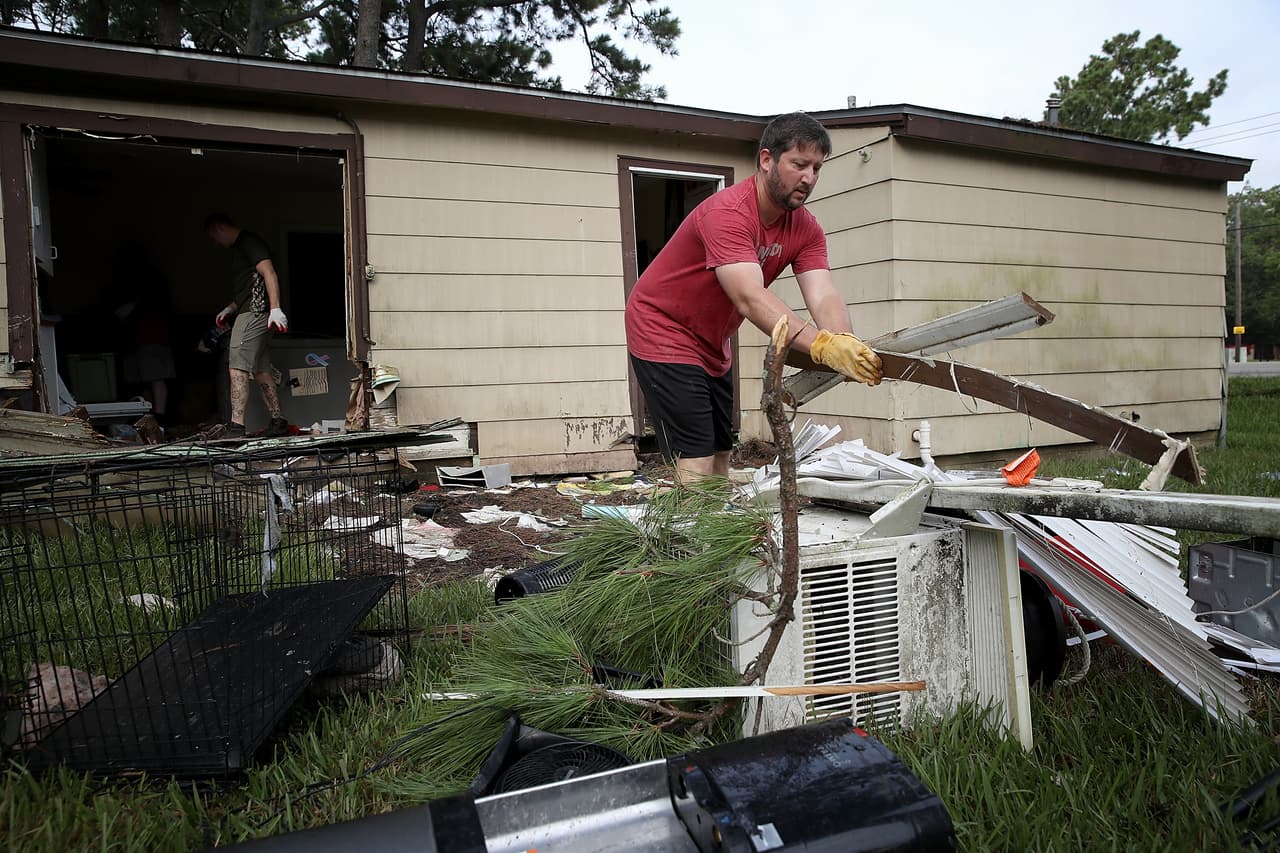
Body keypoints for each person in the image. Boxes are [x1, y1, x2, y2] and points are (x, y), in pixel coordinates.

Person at [625, 112, 883, 482]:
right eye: (798, 164)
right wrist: (822, 345)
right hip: (662, 327)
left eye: (816, 168)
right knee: (695, 452)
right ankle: (692, 538)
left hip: (712, 340)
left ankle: (713, 528)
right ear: (767, 160)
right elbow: (749, 297)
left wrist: (844, 342)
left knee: (720, 450)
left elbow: (823, 292)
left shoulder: (806, 228)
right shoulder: (728, 212)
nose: (808, 178)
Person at [205, 212, 290, 438]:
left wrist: (276, 308)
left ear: (219, 228)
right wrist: (230, 308)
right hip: (256, 313)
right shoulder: (242, 248)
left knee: (237, 365)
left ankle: (236, 427)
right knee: (261, 370)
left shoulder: (249, 242)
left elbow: (269, 273)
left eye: (214, 238)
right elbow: (250, 286)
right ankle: (278, 420)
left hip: (254, 314)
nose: (216, 244)